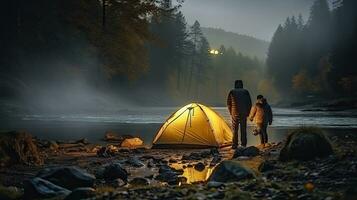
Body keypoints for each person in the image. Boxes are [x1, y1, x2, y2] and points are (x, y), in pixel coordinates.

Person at [227, 80, 252, 148]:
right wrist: (248, 112)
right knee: (243, 129)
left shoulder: (232, 92)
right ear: (242, 84)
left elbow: (229, 104)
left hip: (234, 113)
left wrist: (231, 112)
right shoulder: (246, 92)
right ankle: (243, 144)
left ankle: (235, 144)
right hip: (244, 113)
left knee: (235, 129)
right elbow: (249, 103)